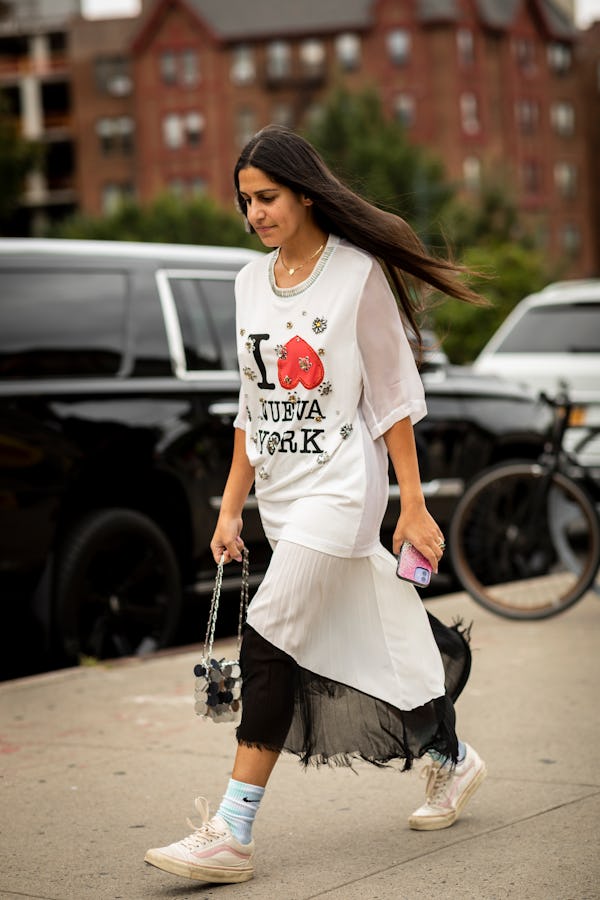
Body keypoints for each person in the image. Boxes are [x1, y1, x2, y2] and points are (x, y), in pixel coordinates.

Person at [145, 124, 487, 884]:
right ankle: (451, 758)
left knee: (271, 631)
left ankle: (231, 831)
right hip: (284, 496)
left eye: (266, 197)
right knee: (374, 632)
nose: (254, 213)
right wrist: (231, 508)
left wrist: (413, 504)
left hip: (344, 486)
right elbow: (251, 405)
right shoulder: (246, 283)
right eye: (245, 202)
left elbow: (393, 397)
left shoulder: (356, 274)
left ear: (304, 192)